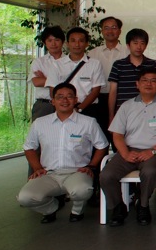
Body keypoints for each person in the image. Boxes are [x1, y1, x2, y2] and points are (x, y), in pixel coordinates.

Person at [18, 83, 109, 223]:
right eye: (60, 97)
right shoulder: (40, 123)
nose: (65, 100)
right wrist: (37, 168)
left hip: (77, 173)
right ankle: (51, 209)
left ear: (76, 100)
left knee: (83, 190)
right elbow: (29, 147)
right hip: (48, 174)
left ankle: (77, 211)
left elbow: (102, 145)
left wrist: (91, 166)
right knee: (25, 198)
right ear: (53, 101)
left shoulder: (88, 122)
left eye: (69, 96)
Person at [101, 68, 156, 226]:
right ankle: (118, 207)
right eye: (145, 80)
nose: (149, 84)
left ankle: (143, 206)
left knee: (149, 172)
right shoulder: (127, 105)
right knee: (106, 175)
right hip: (129, 150)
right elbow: (117, 134)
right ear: (137, 84)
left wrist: (152, 151)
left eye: (153, 81)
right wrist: (125, 153)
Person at [45, 27, 105, 118]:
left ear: (87, 44)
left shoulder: (95, 64)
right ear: (67, 43)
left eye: (81, 41)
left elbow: (95, 91)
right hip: (63, 109)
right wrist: (65, 107)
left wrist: (79, 108)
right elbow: (53, 90)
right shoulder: (56, 65)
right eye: (73, 41)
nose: (77, 44)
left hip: (88, 109)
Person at [108, 29, 156, 126]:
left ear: (146, 45)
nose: (139, 47)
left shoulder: (153, 64)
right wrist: (111, 116)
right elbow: (113, 92)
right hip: (123, 114)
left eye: (142, 43)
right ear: (128, 45)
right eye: (135, 43)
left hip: (149, 113)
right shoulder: (118, 65)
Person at [89, 17, 128, 136]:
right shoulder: (92, 53)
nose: (110, 31)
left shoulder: (128, 52)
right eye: (106, 28)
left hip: (121, 98)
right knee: (100, 134)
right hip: (98, 99)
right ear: (101, 31)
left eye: (114, 28)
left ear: (120, 31)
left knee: (121, 134)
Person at [29, 26, 65, 122]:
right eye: (49, 40)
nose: (53, 43)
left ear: (63, 42)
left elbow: (73, 84)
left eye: (57, 40)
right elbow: (36, 82)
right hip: (44, 105)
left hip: (65, 104)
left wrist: (45, 79)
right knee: (40, 131)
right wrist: (61, 82)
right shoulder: (38, 62)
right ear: (45, 43)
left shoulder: (70, 62)